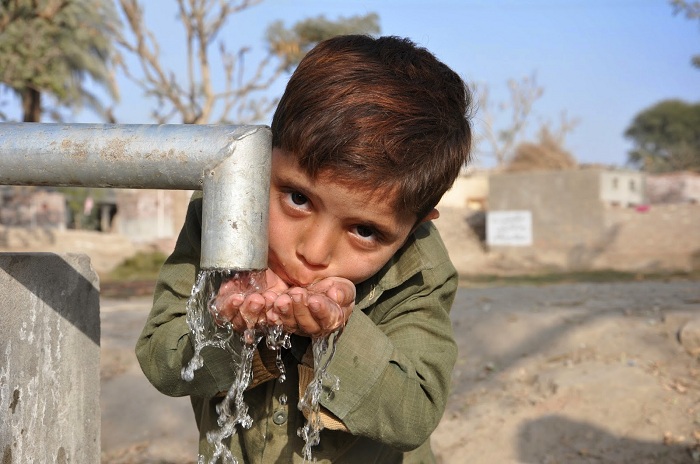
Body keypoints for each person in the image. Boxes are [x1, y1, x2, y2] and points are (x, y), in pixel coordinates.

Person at [136, 34, 473, 463]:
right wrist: (226, 324)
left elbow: (414, 413)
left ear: (415, 225)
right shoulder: (223, 218)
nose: (313, 252)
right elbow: (160, 357)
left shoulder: (418, 268)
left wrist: (337, 333)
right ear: (264, 160)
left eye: (365, 231)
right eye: (298, 198)